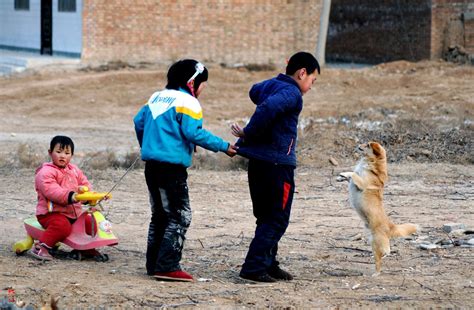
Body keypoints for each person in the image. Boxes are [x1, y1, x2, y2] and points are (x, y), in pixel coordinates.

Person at [134, 59, 237, 282]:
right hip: (172, 170)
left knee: (160, 215)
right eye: (202, 84)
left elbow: (138, 122)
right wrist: (224, 146)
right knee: (181, 215)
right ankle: (168, 266)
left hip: (152, 167)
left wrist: (148, 145)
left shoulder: (156, 97)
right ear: (192, 82)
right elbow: (194, 133)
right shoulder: (188, 102)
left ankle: (154, 264)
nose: (202, 90)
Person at [231, 51, 320, 282]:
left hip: (259, 164)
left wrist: (272, 89)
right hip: (277, 166)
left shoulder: (274, 85)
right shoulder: (292, 93)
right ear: (302, 73)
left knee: (266, 217)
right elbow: (269, 108)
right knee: (277, 219)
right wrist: (248, 132)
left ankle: (268, 264)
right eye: (312, 80)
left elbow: (255, 91)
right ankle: (253, 268)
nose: (311, 86)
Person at [32, 135, 99, 261]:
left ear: (71, 155)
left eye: (67, 153)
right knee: (62, 226)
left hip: (73, 213)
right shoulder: (45, 172)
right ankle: (41, 247)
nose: (63, 156)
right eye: (58, 152)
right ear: (50, 153)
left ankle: (85, 248)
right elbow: (52, 191)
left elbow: (85, 184)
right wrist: (71, 196)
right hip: (50, 213)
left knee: (90, 222)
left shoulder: (74, 170)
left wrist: (88, 196)